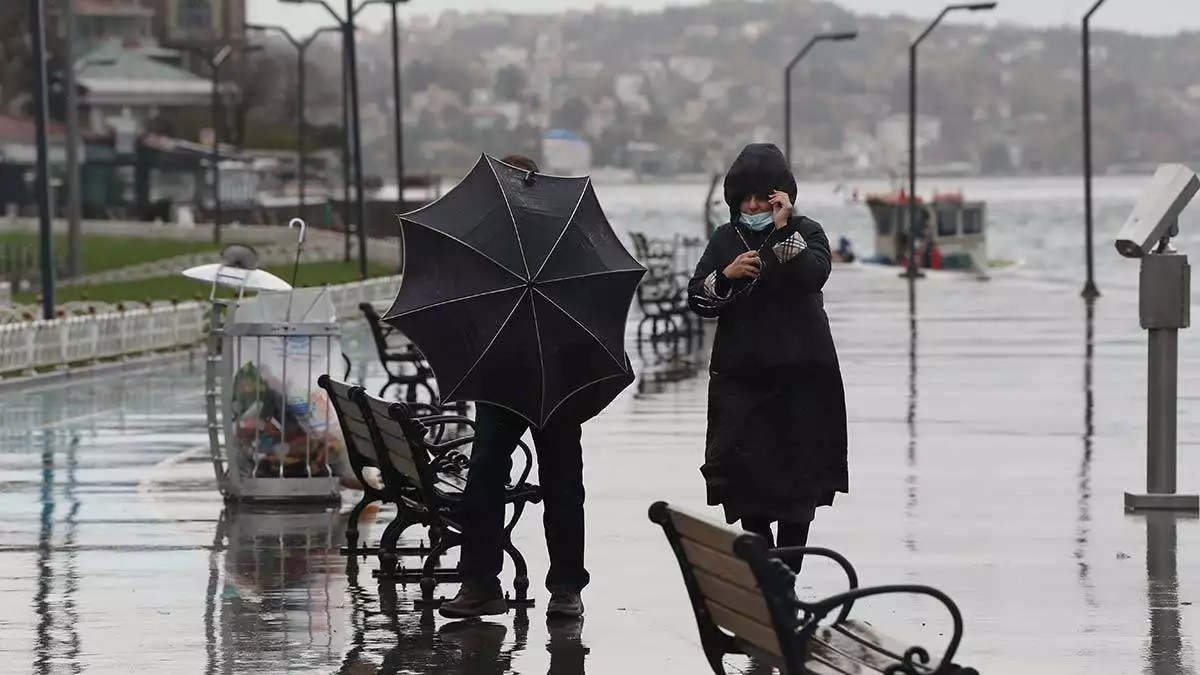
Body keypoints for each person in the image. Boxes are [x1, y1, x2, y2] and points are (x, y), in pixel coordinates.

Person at [439, 153, 635, 620]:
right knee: (488, 473)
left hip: (557, 374)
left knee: (561, 482)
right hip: (502, 376)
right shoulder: (480, 238)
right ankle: (482, 582)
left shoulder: (562, 235)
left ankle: (566, 587)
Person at [686, 142, 848, 556]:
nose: (755, 205)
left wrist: (783, 230)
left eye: (764, 196)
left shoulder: (806, 232)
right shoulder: (725, 239)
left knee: (799, 490)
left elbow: (814, 274)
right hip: (742, 384)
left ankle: (786, 585)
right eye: (748, 198)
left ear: (782, 195)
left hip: (803, 384)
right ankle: (765, 579)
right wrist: (727, 275)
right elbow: (698, 300)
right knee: (745, 487)